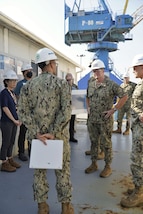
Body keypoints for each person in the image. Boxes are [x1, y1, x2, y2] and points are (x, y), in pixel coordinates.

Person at [18, 47, 74, 214]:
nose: (55, 66)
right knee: (62, 171)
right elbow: (66, 112)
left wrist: (36, 132)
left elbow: (22, 111)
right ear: (49, 63)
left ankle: (42, 207)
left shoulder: (28, 86)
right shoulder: (62, 84)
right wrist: (54, 131)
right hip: (59, 138)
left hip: (37, 139)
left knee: (39, 172)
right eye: (55, 63)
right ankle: (65, 207)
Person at [85, 59, 128, 178]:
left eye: (98, 71)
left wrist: (114, 109)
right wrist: (88, 107)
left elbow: (124, 96)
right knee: (93, 142)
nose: (96, 73)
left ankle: (107, 166)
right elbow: (87, 96)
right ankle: (93, 164)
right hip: (92, 119)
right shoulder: (91, 82)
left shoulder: (111, 84)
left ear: (103, 70)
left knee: (106, 144)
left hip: (105, 120)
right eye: (94, 71)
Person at [120, 54, 143, 207]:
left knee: (137, 160)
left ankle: (139, 192)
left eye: (136, 67)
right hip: (138, 128)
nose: (134, 70)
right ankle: (138, 187)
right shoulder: (140, 84)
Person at [0, 70, 21, 172]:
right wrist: (14, 120)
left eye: (15, 81)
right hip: (6, 122)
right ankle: (4, 162)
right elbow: (5, 108)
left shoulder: (12, 93)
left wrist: (18, 119)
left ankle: (10, 158)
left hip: (13, 122)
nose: (14, 83)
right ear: (6, 81)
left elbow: (15, 108)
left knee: (12, 141)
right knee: (6, 142)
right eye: (12, 81)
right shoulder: (4, 93)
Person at [14, 64, 33, 161]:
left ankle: (32, 151)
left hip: (33, 113)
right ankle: (21, 152)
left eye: (31, 70)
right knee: (23, 133)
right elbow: (16, 95)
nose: (30, 71)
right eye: (28, 70)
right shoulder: (20, 84)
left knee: (32, 133)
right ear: (24, 72)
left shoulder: (34, 82)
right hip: (24, 112)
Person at [85, 76, 104, 160]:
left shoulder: (102, 80)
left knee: (101, 133)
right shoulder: (90, 80)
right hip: (91, 113)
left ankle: (102, 152)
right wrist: (88, 107)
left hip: (100, 114)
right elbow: (87, 96)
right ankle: (94, 150)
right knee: (92, 133)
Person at [65, 73, 78, 143]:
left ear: (72, 79)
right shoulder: (63, 87)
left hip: (73, 108)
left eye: (70, 79)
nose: (69, 81)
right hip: (65, 108)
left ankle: (71, 137)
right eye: (67, 80)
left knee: (72, 123)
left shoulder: (75, 87)